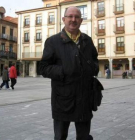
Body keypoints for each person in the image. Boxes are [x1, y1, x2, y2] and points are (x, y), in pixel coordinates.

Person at [39, 6, 99, 140]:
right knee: (60, 137)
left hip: (84, 98)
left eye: (77, 17)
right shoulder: (53, 42)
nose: (73, 19)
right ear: (63, 19)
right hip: (63, 100)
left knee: (83, 137)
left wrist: (93, 69)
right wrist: (64, 70)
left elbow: (95, 60)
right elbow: (43, 67)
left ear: (81, 20)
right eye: (70, 16)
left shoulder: (87, 41)